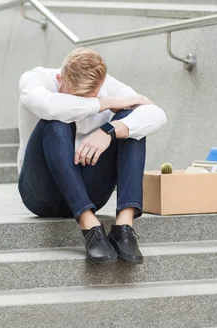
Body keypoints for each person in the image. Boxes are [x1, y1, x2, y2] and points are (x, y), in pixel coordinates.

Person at [17, 47, 167, 265]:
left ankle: (124, 226)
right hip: (41, 193)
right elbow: (49, 106)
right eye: (76, 97)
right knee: (56, 121)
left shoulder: (108, 85)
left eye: (92, 97)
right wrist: (103, 104)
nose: (83, 104)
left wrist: (109, 131)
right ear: (60, 77)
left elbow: (156, 114)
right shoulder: (35, 79)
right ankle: (90, 227)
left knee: (130, 122)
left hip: (91, 192)